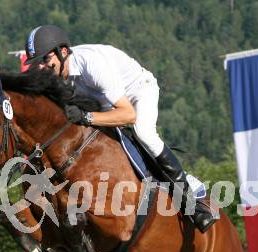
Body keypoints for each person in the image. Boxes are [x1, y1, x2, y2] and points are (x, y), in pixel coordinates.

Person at [24, 25, 217, 233]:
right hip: (105, 102)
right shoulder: (59, 74)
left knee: (144, 133)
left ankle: (190, 200)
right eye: (37, 63)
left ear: (63, 53)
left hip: (138, 93)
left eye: (45, 60)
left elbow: (127, 114)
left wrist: (87, 117)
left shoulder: (93, 65)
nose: (42, 67)